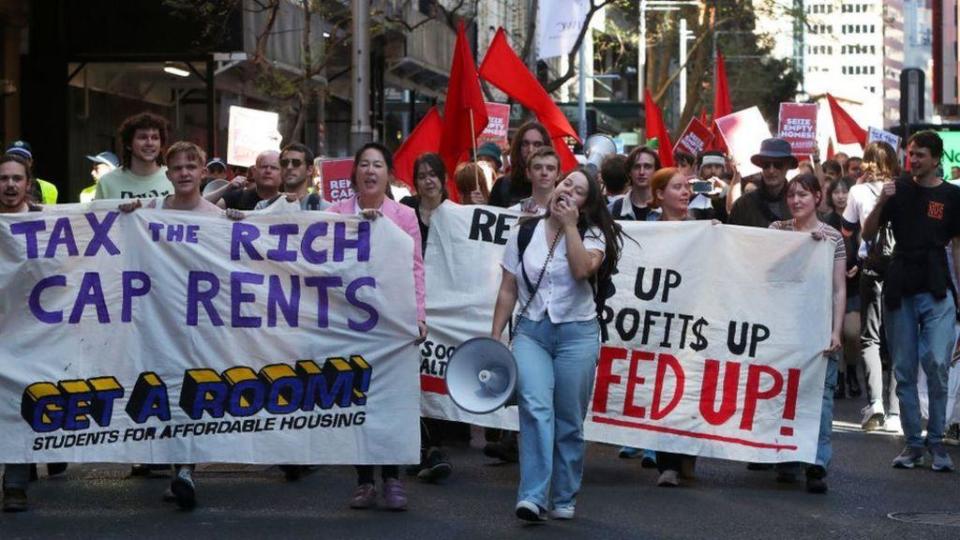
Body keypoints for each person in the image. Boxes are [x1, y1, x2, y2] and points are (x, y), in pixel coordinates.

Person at [491, 167, 621, 521]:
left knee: (569, 419)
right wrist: (495, 337)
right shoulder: (524, 232)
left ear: (585, 204)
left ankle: (564, 495)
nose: (568, 191)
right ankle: (532, 496)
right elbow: (508, 288)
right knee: (534, 408)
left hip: (577, 335)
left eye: (578, 191)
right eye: (566, 183)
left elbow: (581, 270)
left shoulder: (593, 236)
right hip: (532, 332)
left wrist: (569, 227)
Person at [116, 142, 232, 510]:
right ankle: (173, 464)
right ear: (168, 174)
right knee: (163, 390)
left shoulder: (217, 217)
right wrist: (126, 215)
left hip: (200, 324)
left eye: (190, 167)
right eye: (177, 168)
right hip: (157, 320)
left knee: (191, 392)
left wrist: (244, 231)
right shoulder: (149, 212)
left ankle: (185, 469)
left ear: (202, 172)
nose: (183, 173)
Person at [328, 142, 427, 511]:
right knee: (356, 399)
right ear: (354, 172)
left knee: (391, 400)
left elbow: (415, 266)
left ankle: (392, 477)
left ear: (388, 174)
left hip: (393, 322)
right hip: (348, 323)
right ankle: (364, 480)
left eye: (378, 165)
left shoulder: (403, 216)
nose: (370, 171)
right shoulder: (335, 212)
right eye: (364, 165)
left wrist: (418, 315)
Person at [863, 130, 960, 472]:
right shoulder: (898, 189)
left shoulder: (952, 196)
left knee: (936, 361)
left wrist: (959, 295)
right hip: (900, 283)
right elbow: (866, 233)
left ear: (936, 159)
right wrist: (880, 201)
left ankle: (937, 441)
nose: (913, 160)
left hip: (937, 286)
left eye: (920, 155)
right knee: (903, 368)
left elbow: (958, 250)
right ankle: (913, 443)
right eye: (911, 154)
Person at [769, 173, 846, 493]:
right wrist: (798, 246)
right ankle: (787, 460)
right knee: (784, 396)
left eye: (803, 194)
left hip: (817, 329)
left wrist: (836, 331)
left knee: (821, 399)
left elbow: (838, 289)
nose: (796, 200)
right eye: (791, 195)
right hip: (784, 329)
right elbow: (767, 270)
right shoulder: (777, 231)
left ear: (817, 197)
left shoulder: (832, 238)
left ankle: (816, 462)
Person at [398, 153, 455, 483]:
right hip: (412, 303)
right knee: (413, 375)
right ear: (414, 182)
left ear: (443, 179)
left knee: (438, 373)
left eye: (434, 174)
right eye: (422, 175)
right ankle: (423, 448)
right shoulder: (405, 210)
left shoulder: (458, 214)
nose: (428, 180)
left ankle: (433, 448)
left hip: (448, 307)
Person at [642, 167, 697, 486]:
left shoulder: (702, 227)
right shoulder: (647, 231)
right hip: (660, 322)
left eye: (687, 187)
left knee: (689, 388)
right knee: (663, 387)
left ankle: (686, 454)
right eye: (678, 187)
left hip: (692, 321)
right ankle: (669, 464)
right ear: (660, 195)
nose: (685, 192)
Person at [842, 141, 901, 432]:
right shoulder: (904, 188)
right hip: (901, 271)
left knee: (871, 338)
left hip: (872, 268)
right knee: (899, 339)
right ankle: (897, 412)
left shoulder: (857, 191)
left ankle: (875, 404)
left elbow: (847, 227)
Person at [1, 154, 42, 512]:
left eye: (17, 178)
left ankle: (15, 482)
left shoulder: (47, 222)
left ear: (28, 183)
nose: (10, 185)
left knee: (18, 401)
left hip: (31, 332)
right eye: (4, 179)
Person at [823, 177, 862, 400]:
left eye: (844, 192)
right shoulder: (826, 221)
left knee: (852, 333)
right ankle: (837, 377)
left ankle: (852, 371)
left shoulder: (859, 219)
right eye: (836, 192)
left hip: (855, 287)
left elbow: (868, 246)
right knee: (833, 334)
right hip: (831, 287)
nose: (840, 196)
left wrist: (859, 265)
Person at [95, 112, 172, 200]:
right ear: (128, 144)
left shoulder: (174, 178)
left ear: (161, 144)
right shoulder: (107, 183)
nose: (150, 143)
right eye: (143, 137)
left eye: (155, 138)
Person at [728, 138, 795, 228]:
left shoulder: (800, 203)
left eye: (778, 164)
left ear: (788, 166)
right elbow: (731, 236)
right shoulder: (743, 204)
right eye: (766, 164)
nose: (771, 170)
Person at [488, 121, 552, 208]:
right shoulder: (502, 186)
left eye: (537, 144)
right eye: (525, 144)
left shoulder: (559, 188)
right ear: (518, 147)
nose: (530, 149)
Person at [254, 143, 329, 212]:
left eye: (296, 163)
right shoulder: (264, 207)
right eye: (284, 163)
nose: (289, 167)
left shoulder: (325, 209)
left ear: (309, 170)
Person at [212, 150, 281, 210]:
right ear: (254, 171)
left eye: (274, 168)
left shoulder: (288, 202)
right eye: (264, 167)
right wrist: (227, 187)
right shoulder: (238, 197)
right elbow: (204, 210)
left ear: (282, 173)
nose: (268, 171)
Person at [608, 146, 659, 221]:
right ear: (629, 172)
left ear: (656, 171)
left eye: (647, 167)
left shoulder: (667, 208)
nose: (642, 172)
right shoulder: (612, 210)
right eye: (637, 167)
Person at [509, 147, 561, 215]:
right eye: (538, 168)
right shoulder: (512, 212)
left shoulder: (569, 213)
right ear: (528, 173)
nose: (544, 173)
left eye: (550, 168)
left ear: (558, 175)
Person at [689, 151, 730, 221]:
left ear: (723, 170)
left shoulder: (729, 192)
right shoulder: (689, 192)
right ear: (700, 170)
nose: (713, 171)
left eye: (717, 167)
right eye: (708, 167)